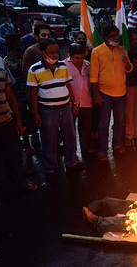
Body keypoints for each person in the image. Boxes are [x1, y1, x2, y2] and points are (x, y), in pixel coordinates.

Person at [27, 39, 85, 173]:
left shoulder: (63, 66)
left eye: (56, 52)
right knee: (49, 140)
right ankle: (51, 167)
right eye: (51, 53)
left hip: (65, 108)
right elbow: (32, 93)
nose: (55, 55)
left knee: (70, 137)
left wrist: (74, 103)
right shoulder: (34, 69)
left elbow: (68, 85)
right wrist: (35, 112)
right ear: (43, 53)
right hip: (47, 111)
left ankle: (71, 162)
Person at [0, 45, 37, 191]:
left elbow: (9, 93)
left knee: (12, 155)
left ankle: (19, 184)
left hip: (6, 119)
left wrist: (17, 120)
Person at [90, 25, 133, 161]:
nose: (116, 38)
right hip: (104, 93)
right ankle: (102, 149)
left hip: (121, 92)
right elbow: (93, 75)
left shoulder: (122, 50)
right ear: (106, 38)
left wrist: (126, 63)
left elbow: (129, 69)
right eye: (113, 36)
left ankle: (117, 144)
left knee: (120, 122)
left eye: (117, 36)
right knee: (104, 123)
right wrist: (96, 94)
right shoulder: (97, 52)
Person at [64, 43, 94, 154]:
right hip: (70, 103)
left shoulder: (88, 65)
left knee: (86, 126)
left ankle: (85, 147)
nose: (80, 60)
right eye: (77, 58)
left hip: (86, 101)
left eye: (82, 57)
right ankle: (71, 150)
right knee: (69, 129)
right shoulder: (63, 65)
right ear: (70, 55)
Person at [124, 28, 137, 146]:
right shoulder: (124, 52)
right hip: (127, 85)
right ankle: (129, 135)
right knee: (129, 111)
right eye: (132, 39)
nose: (135, 41)